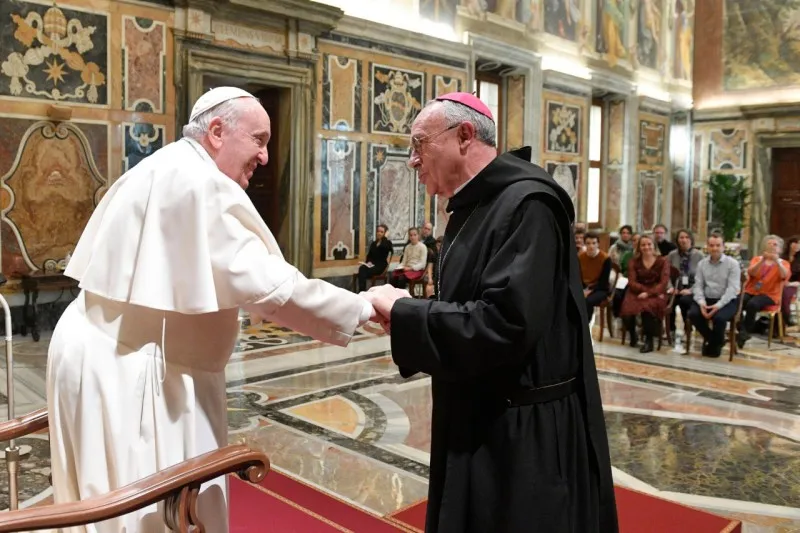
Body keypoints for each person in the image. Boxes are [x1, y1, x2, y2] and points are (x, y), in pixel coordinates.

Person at [47, 87, 375, 533]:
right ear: (217, 131)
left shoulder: (164, 165)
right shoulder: (202, 183)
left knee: (97, 488)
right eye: (259, 140)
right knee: (141, 505)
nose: (265, 157)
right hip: (135, 369)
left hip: (95, 352)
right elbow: (270, 287)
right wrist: (361, 307)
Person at [363, 92, 617, 533]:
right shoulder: (475, 207)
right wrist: (410, 316)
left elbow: (506, 324)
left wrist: (407, 313)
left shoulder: (528, 205)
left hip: (521, 434)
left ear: (464, 135)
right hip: (479, 415)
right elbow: (468, 303)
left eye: (420, 143)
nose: (412, 160)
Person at [688, 232, 741, 357]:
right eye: (711, 245)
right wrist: (701, 303)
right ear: (707, 247)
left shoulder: (732, 264)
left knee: (719, 318)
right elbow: (698, 286)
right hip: (707, 298)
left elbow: (732, 289)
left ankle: (713, 344)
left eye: (718, 245)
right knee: (693, 314)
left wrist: (718, 306)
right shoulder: (702, 264)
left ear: (723, 247)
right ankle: (716, 340)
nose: (715, 248)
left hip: (727, 300)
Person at [738, 234, 791, 348]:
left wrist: (777, 262)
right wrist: (762, 260)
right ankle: (741, 328)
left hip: (770, 295)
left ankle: (745, 332)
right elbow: (751, 272)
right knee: (738, 301)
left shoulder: (784, 263)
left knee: (752, 304)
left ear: (780, 249)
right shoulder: (757, 259)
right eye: (769, 243)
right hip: (752, 290)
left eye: (775, 244)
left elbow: (784, 275)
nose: (772, 246)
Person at [620, 234, 670, 353]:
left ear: (654, 245)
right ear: (639, 247)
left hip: (656, 292)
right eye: (643, 245)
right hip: (636, 291)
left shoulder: (663, 261)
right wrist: (643, 290)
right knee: (627, 311)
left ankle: (649, 340)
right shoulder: (633, 261)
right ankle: (633, 335)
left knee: (647, 309)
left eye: (649, 244)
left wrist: (648, 293)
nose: (646, 247)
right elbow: (632, 282)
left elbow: (663, 283)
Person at [666, 229, 704, 334]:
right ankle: (671, 330)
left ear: (691, 239)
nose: (684, 240)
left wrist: (691, 290)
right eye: (681, 237)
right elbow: (666, 274)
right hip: (675, 288)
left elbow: (702, 278)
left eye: (687, 237)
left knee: (685, 301)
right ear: (677, 240)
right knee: (669, 301)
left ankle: (688, 328)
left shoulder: (699, 256)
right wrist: (670, 287)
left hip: (692, 289)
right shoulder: (672, 255)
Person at [579, 231, 612, 320]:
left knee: (587, 301)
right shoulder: (580, 257)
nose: (591, 246)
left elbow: (603, 282)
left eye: (594, 243)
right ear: (584, 244)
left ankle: (586, 324)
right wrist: (583, 289)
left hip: (600, 289)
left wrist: (589, 290)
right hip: (584, 287)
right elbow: (579, 277)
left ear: (598, 244)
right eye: (588, 243)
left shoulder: (606, 259)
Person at [357, 224, 393, 292]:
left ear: (385, 233)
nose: (379, 233)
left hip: (380, 266)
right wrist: (368, 263)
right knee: (362, 268)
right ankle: (362, 291)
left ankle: (362, 292)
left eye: (381, 232)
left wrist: (384, 238)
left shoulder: (387, 243)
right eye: (378, 231)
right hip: (372, 265)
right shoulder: (374, 243)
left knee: (363, 272)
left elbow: (383, 247)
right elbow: (369, 256)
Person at [781, 236, 800, 325]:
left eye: (799, 243)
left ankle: (786, 318)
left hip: (793, 284)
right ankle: (777, 322)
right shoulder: (782, 257)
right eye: (795, 242)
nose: (797, 245)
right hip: (780, 283)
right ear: (790, 244)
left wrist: (789, 284)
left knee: (784, 293)